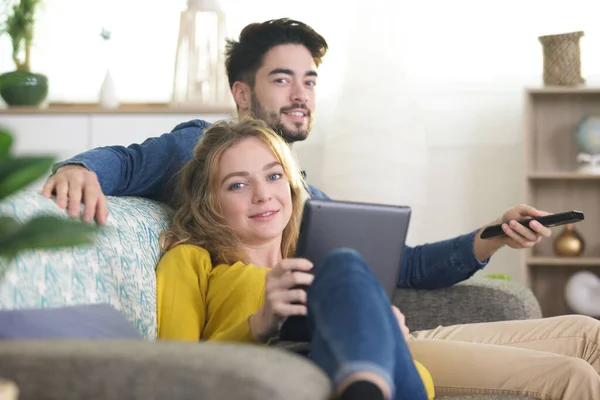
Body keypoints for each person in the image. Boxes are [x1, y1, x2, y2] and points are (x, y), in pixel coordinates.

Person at [42, 18, 600, 398]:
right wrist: (79, 168)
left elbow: (406, 266)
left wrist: (495, 233)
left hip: (386, 333)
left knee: (587, 336)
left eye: (309, 80)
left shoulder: (308, 200)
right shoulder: (199, 149)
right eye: (282, 79)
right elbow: (130, 160)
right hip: (316, 347)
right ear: (242, 94)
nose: (301, 94)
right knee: (568, 374)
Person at [156, 117, 435, 400]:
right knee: (344, 262)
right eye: (238, 185)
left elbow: (422, 381)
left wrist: (385, 338)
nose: (263, 195)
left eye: (274, 176)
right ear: (209, 201)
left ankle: (365, 376)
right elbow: (173, 371)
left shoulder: (315, 260)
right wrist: (258, 325)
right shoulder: (190, 259)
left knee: (344, 264)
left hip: (342, 377)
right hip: (267, 380)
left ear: (290, 184)